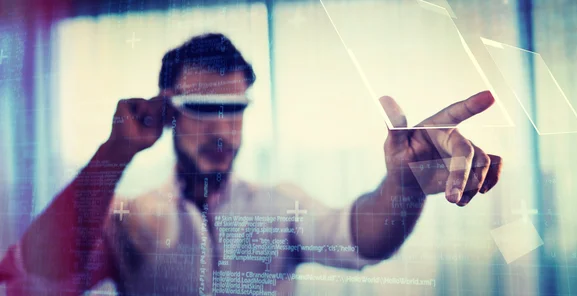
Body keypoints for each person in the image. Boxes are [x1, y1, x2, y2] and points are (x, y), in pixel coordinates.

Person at [0, 33, 502, 295]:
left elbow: (363, 237)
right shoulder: (126, 219)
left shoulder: (280, 206)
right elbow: (39, 270)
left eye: (235, 110)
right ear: (169, 111)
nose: (223, 130)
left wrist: (405, 184)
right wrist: (117, 150)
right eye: (203, 110)